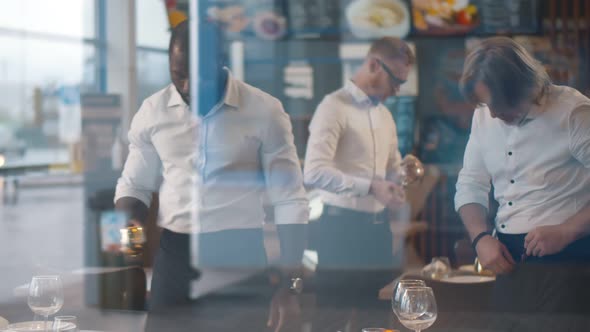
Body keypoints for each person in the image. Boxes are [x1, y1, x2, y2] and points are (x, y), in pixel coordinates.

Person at [114, 21, 309, 326]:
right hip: (175, 253)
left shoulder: (265, 110)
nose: (188, 88)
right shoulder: (153, 111)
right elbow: (134, 186)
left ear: (222, 63)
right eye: (178, 76)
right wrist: (128, 251)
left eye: (198, 77)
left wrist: (291, 284)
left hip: (240, 257)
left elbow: (290, 199)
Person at [456, 36, 590, 313]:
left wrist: (568, 230)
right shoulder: (483, 115)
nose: (491, 115)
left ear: (523, 87)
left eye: (497, 104)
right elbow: (471, 183)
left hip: (569, 263)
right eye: (484, 104)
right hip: (507, 260)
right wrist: (480, 238)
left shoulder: (573, 113)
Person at [303, 37, 414, 300]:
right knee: (333, 321)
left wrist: (402, 177)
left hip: (378, 230)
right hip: (341, 228)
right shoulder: (333, 107)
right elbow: (314, 171)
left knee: (377, 316)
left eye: (402, 83)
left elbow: (391, 171)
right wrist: (372, 187)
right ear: (374, 65)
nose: (397, 90)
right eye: (395, 81)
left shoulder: (385, 115)